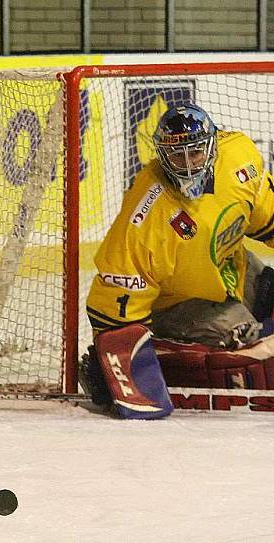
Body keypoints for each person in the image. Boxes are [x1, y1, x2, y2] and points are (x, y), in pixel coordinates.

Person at [81, 103, 274, 419]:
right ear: (161, 154)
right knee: (244, 346)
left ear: (211, 146)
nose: (186, 164)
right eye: (176, 155)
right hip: (175, 303)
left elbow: (266, 215)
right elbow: (111, 307)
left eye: (194, 152)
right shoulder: (143, 218)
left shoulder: (239, 156)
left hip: (231, 273)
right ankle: (161, 351)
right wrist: (120, 366)